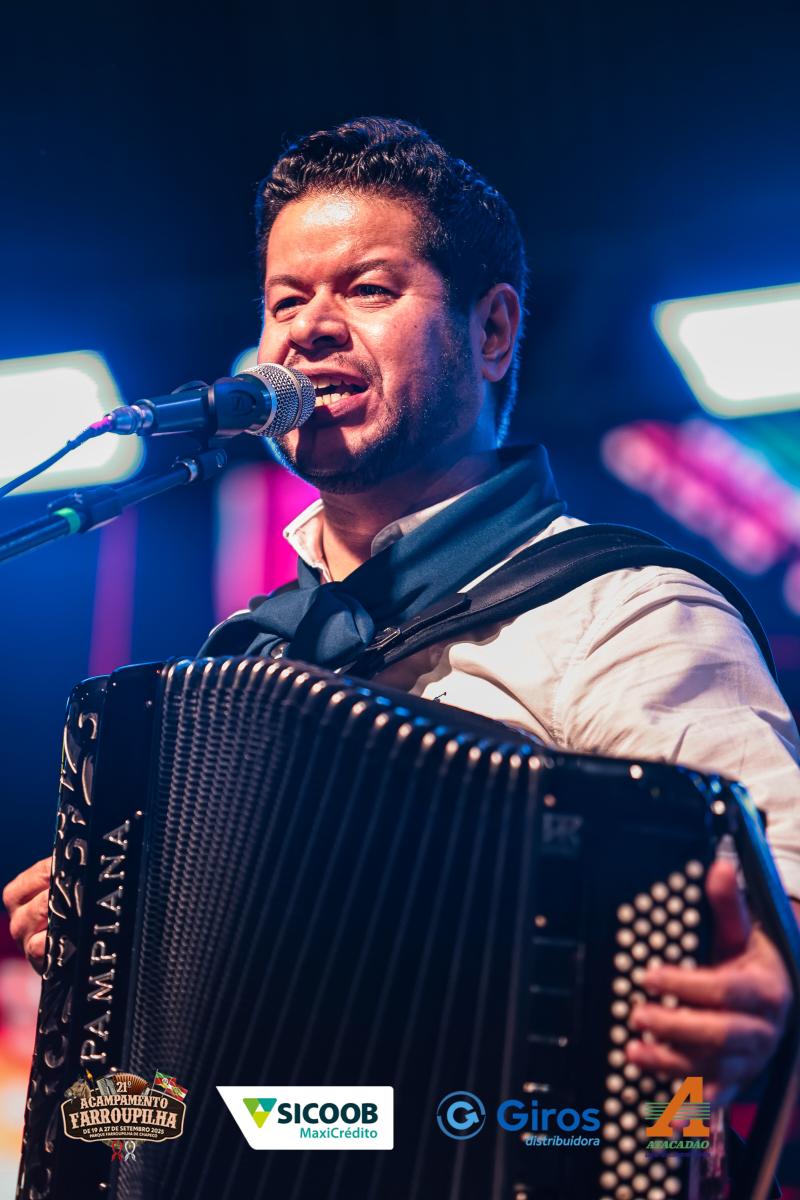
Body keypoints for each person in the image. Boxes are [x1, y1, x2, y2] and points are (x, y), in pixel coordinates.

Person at [4, 117, 798, 1110]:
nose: (309, 327)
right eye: (284, 300)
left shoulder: (622, 612)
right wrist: (103, 934)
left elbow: (780, 884)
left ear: (492, 332)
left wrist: (768, 972)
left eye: (368, 289)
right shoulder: (239, 662)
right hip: (266, 1154)